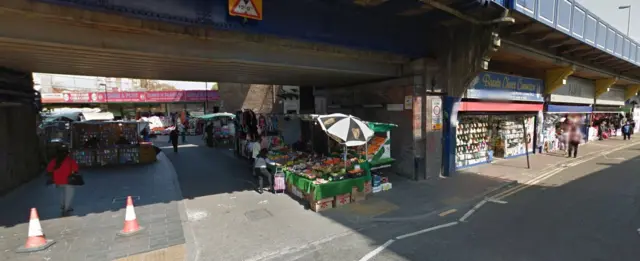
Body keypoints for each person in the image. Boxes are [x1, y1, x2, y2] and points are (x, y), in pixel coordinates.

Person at [46, 145, 80, 215]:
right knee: (69, 194)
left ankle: (62, 206)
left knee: (61, 194)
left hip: (58, 181)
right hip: (68, 181)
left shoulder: (54, 161)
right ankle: (66, 208)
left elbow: (49, 170)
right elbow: (76, 169)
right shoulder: (70, 160)